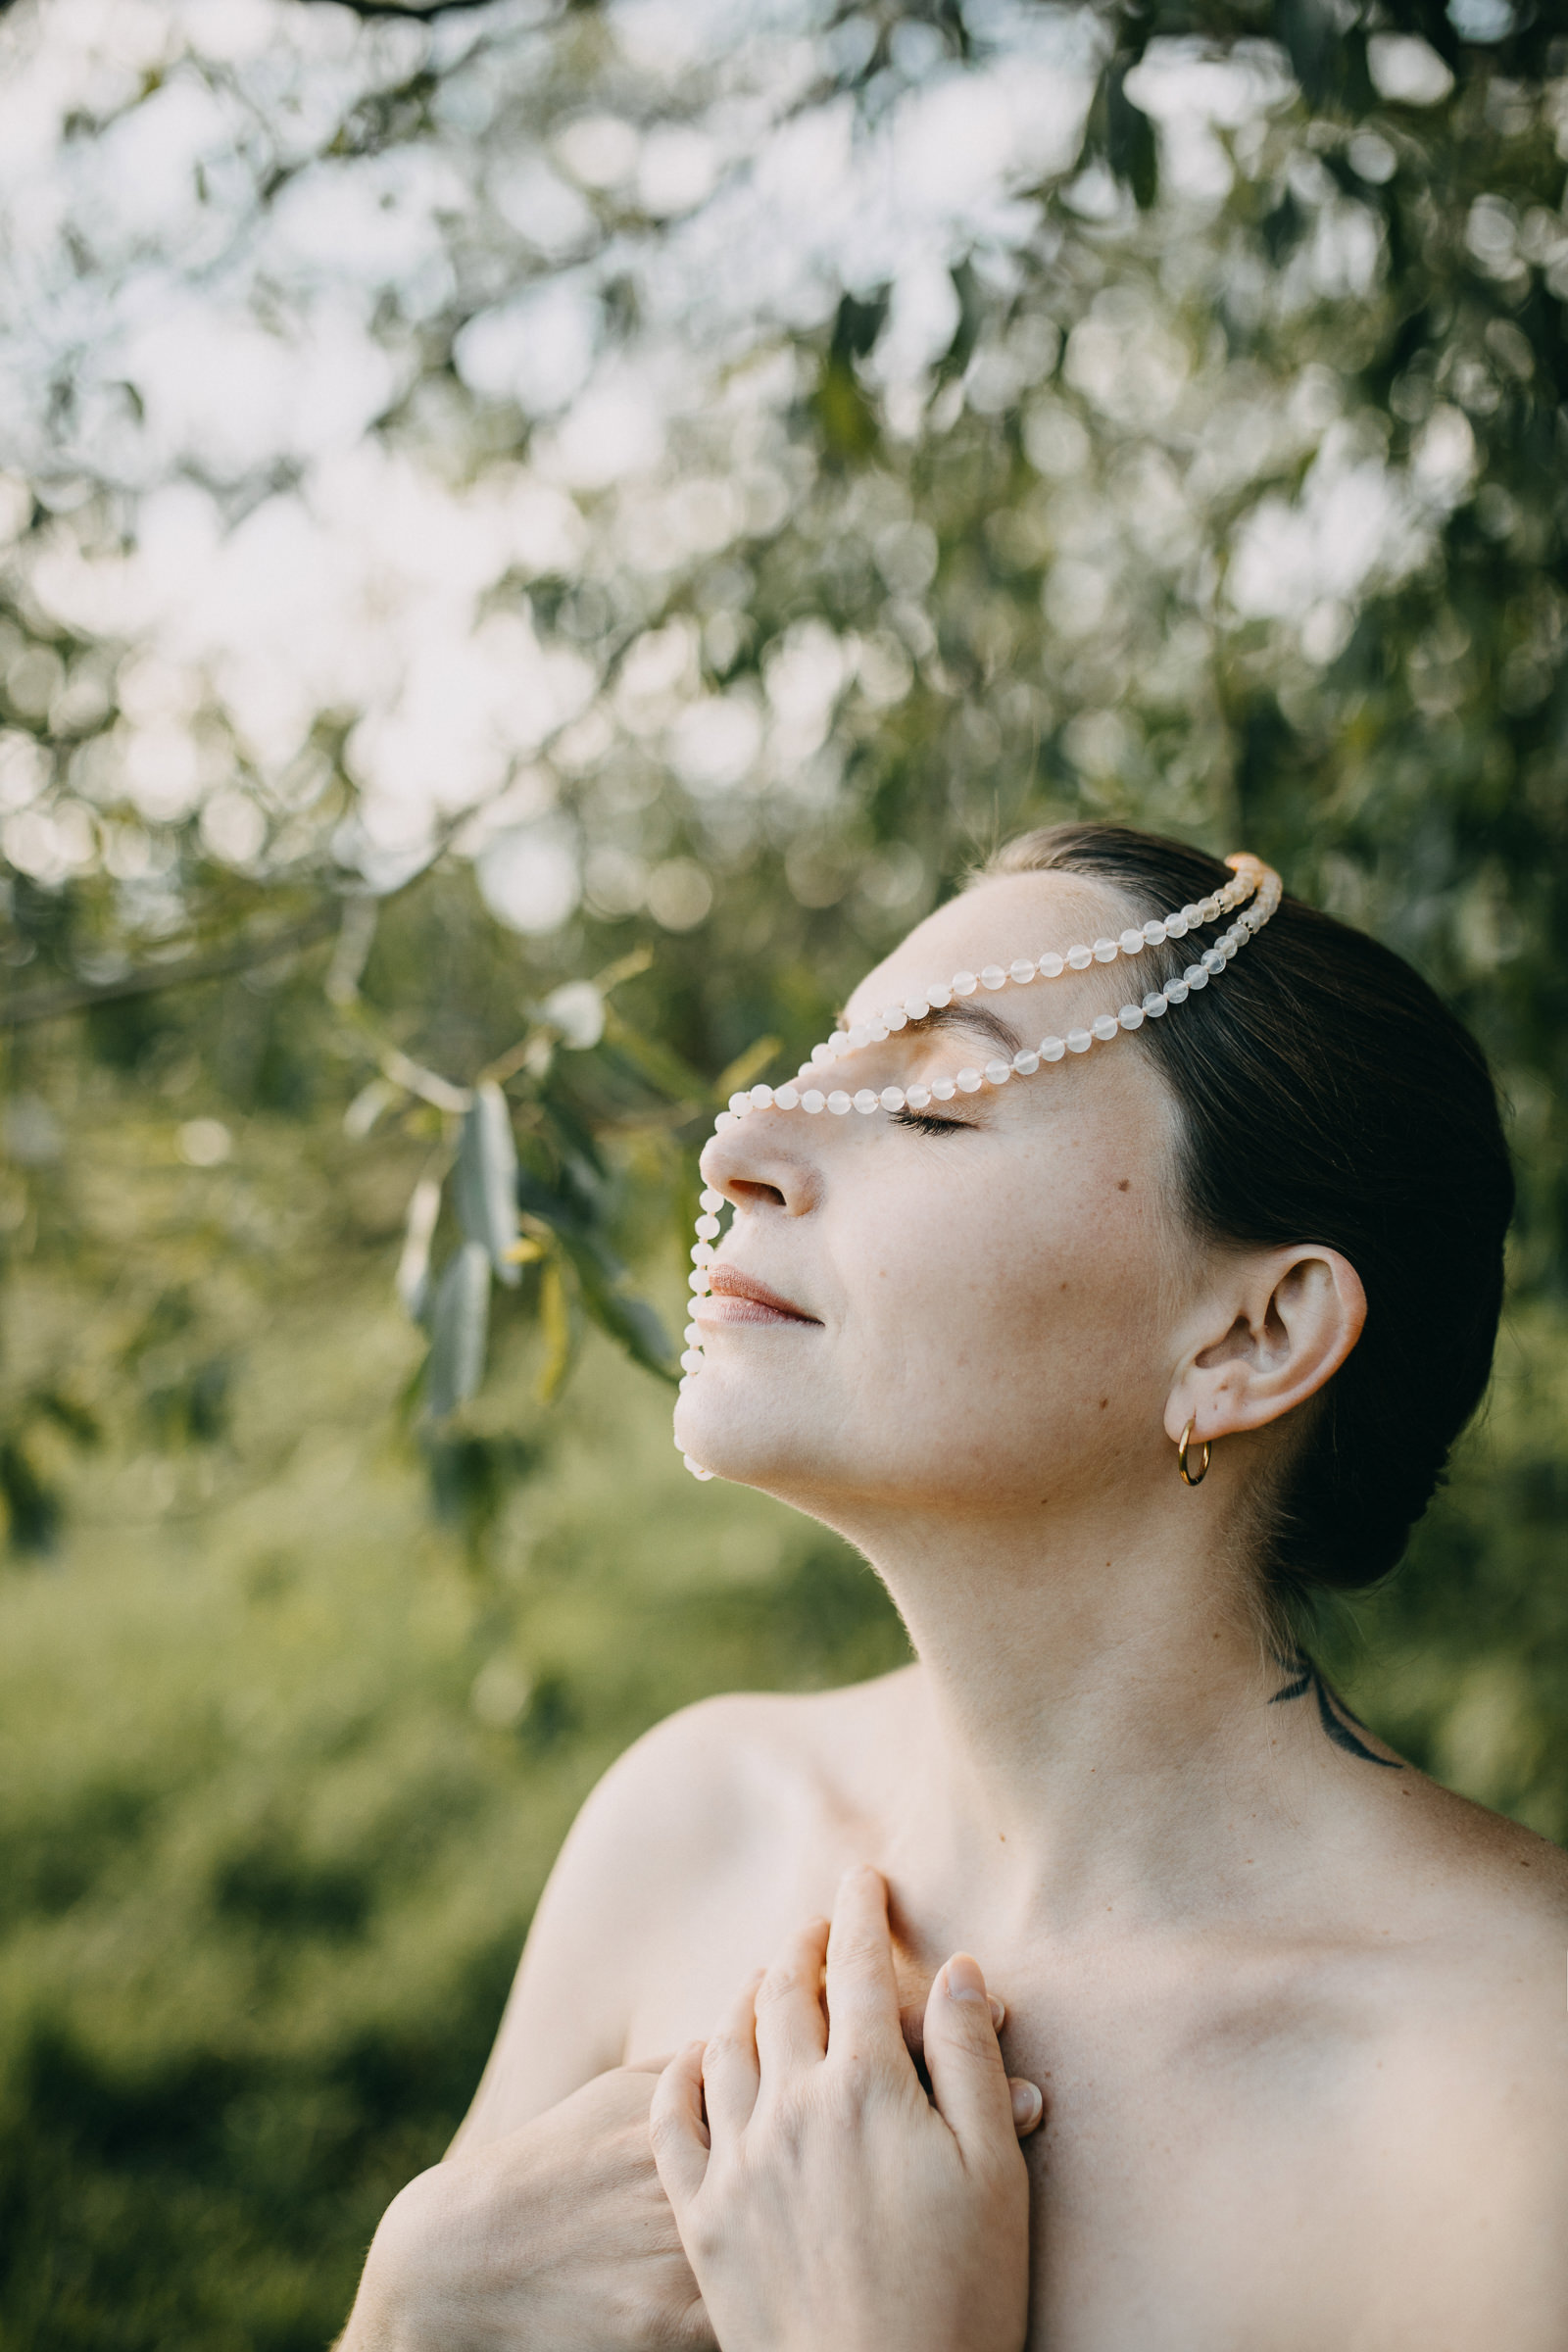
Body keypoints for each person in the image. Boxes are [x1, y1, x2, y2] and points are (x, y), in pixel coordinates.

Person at [341, 823, 1568, 2351]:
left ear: (1251, 1339)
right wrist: (407, 2309)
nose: (739, 1146)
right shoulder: (693, 1824)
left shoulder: (1513, 2093)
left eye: (930, 1101)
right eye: (820, 1059)